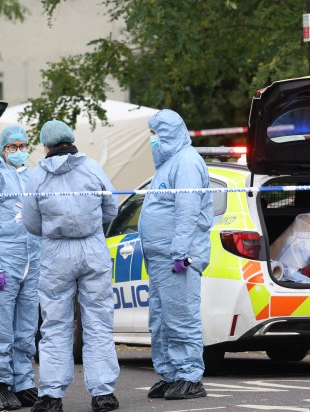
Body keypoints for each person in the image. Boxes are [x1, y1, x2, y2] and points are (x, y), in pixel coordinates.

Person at [22, 120, 120, 412]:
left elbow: (30, 222)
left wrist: (55, 230)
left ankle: (51, 395)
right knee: (98, 322)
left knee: (54, 323)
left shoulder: (37, 176)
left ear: (46, 145)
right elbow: (111, 206)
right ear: (71, 140)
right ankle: (103, 393)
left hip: (55, 252)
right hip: (93, 248)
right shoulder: (91, 167)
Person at [139, 109, 213, 400]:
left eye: (155, 133)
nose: (153, 140)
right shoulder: (169, 164)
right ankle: (170, 374)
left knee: (181, 316)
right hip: (162, 259)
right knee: (160, 320)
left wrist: (180, 250)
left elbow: (187, 210)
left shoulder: (186, 162)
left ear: (169, 132)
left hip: (177, 257)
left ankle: (190, 376)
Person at [0, 125, 41, 411]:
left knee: (26, 329)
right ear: (3, 149)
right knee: (1, 328)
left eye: (22, 145)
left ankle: (24, 383)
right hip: (3, 264)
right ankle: (0, 385)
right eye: (12, 146)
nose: (18, 151)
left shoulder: (35, 177)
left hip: (32, 264)